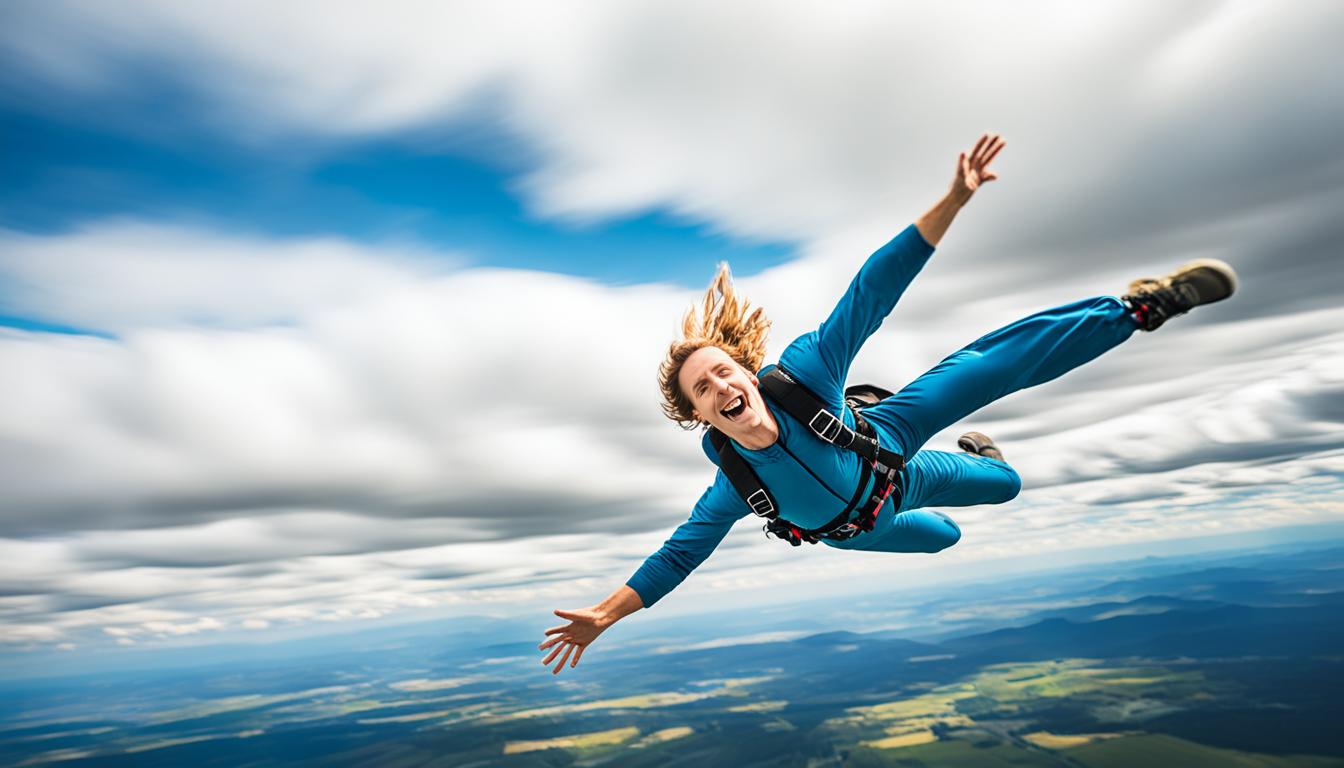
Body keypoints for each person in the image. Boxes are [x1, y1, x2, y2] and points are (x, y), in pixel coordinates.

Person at [537, 134, 1237, 675]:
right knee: (947, 539)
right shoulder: (733, 482)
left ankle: (1141, 307)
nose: (721, 388)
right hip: (859, 528)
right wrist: (605, 614)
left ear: (746, 373)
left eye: (724, 373)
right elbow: (675, 558)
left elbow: (871, 292)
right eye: (704, 391)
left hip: (889, 446)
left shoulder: (804, 372)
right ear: (700, 415)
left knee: (991, 392)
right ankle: (981, 461)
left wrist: (953, 201)